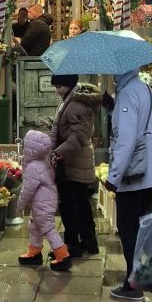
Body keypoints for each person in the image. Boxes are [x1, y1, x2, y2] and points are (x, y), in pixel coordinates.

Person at [105, 69, 152, 302]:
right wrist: (112, 107)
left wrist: (114, 177)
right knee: (141, 227)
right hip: (151, 170)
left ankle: (133, 285)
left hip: (135, 174)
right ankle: (140, 277)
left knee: (129, 230)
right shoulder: (144, 89)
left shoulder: (128, 93)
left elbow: (126, 140)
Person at [49, 73, 100, 258]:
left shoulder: (75, 105)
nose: (57, 91)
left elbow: (79, 136)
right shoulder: (71, 101)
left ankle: (72, 245)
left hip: (72, 161)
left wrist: (57, 151)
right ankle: (88, 241)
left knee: (70, 205)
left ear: (69, 86)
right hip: (75, 160)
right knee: (81, 203)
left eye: (59, 87)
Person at [17, 130, 71, 271]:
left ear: (30, 149)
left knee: (48, 229)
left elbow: (27, 190)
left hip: (42, 205)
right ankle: (34, 251)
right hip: (45, 203)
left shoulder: (33, 167)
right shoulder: (44, 163)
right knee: (34, 227)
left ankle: (63, 256)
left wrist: (20, 205)